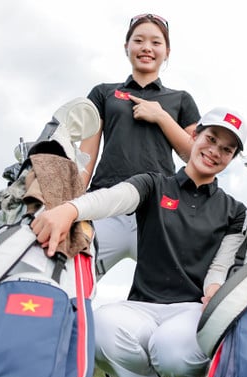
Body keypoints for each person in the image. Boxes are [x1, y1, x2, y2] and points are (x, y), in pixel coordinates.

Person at [31, 107, 247, 377]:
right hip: (143, 305)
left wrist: (216, 289)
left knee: (173, 353)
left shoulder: (235, 210)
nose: (215, 151)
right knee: (101, 326)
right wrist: (69, 210)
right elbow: (112, 199)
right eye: (210, 139)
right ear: (194, 137)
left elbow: (220, 267)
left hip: (191, 309)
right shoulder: (154, 184)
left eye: (227, 149)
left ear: (232, 158)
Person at [79, 12, 201, 279]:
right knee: (74, 277)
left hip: (158, 209)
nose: (147, 48)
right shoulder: (103, 93)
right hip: (105, 204)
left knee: (175, 288)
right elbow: (86, 152)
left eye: (156, 43)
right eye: (139, 40)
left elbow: (194, 154)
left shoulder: (180, 99)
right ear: (127, 47)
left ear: (167, 52)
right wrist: (74, 198)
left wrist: (161, 116)